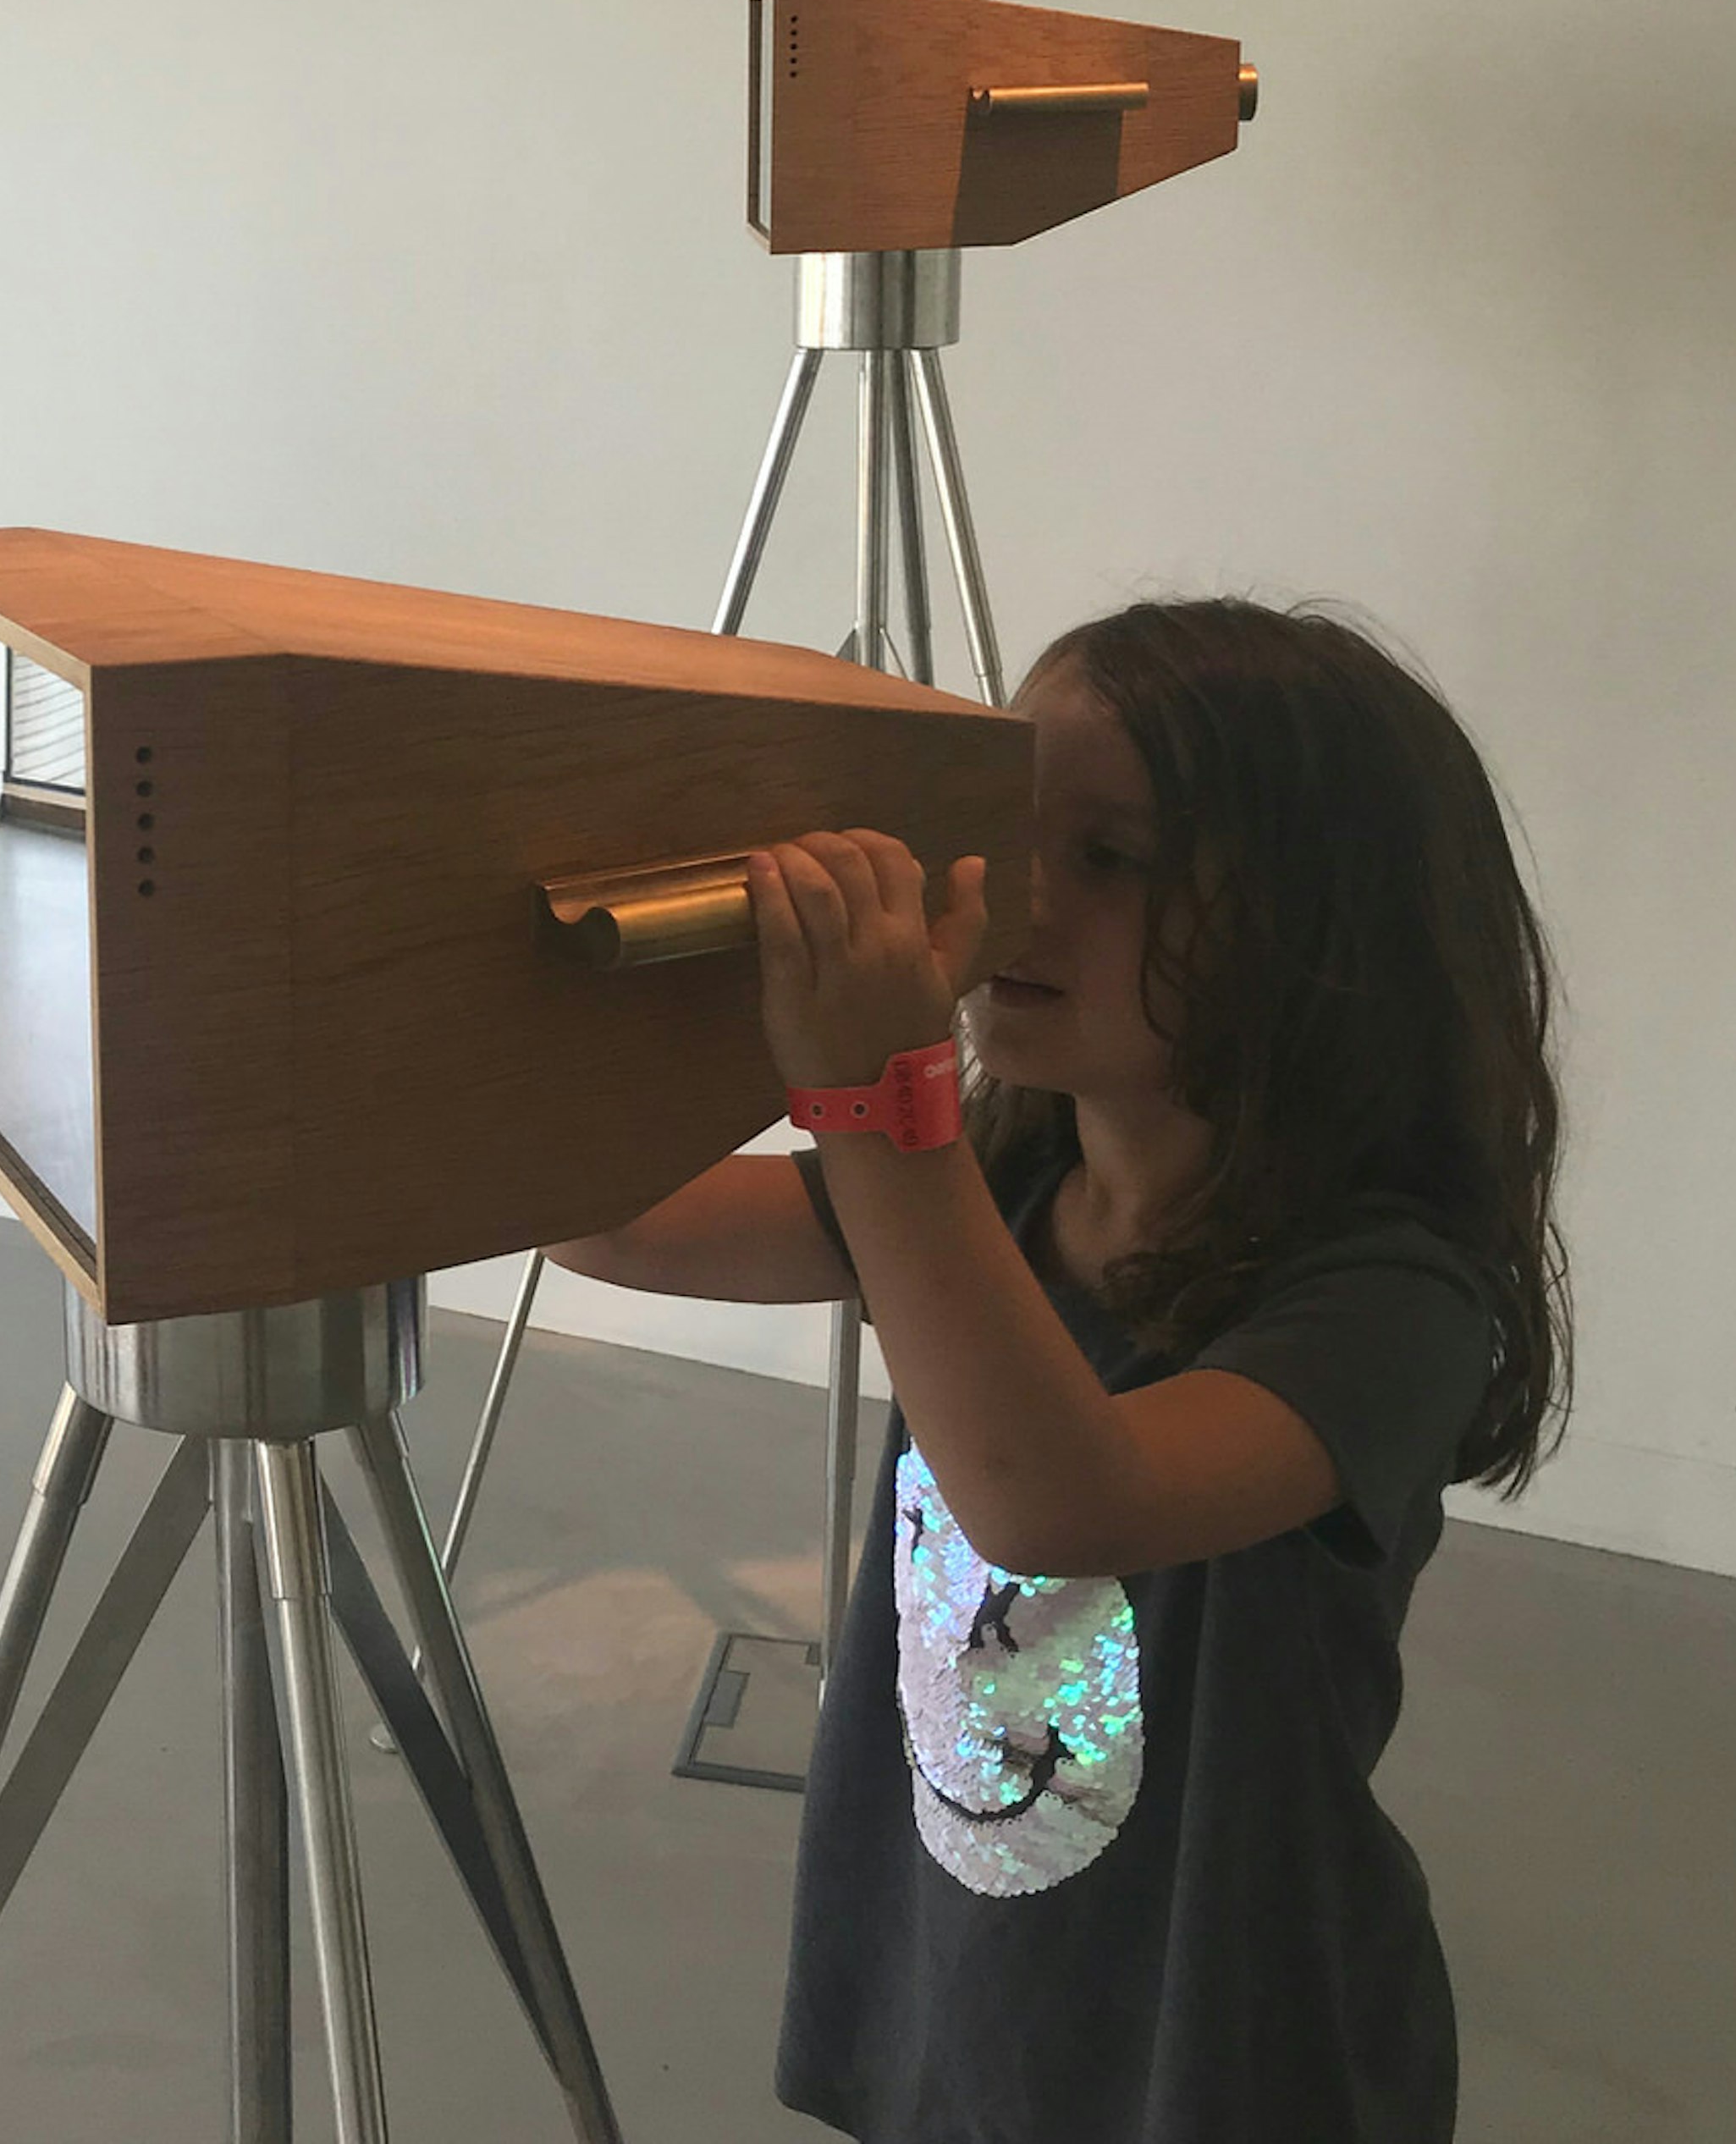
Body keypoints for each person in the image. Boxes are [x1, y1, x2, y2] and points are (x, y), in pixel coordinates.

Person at [550, 597, 1570, 2144]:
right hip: (959, 1953)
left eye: (1111, 858)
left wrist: (876, 1091)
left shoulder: (1385, 1300)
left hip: (1224, 2025)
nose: (1020, 895)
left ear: (1317, 930)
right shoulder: (1014, 1186)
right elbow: (614, 1220)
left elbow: (1055, 1500)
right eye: (1009, 832)